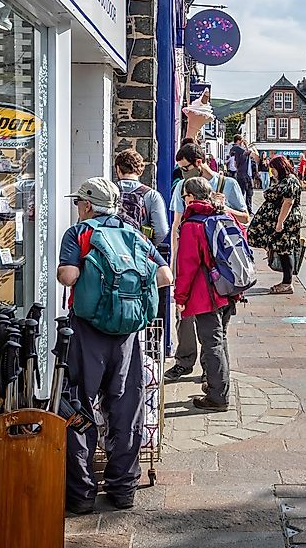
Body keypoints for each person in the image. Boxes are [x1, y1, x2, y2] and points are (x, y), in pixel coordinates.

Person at [57, 177, 173, 514]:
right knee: (125, 410)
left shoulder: (79, 233)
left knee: (78, 408)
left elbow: (67, 276)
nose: (78, 207)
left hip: (87, 333)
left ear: (89, 205)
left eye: (80, 202)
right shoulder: (133, 232)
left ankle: (81, 495)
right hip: (127, 336)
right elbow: (165, 276)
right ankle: (123, 491)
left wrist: (89, 276)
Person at [164, 143, 248, 383]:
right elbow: (177, 225)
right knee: (186, 318)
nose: (182, 173)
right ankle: (185, 361)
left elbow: (245, 218)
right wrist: (174, 263)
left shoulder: (227, 184)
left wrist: (223, 207)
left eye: (185, 168)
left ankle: (211, 374)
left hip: (219, 271)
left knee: (214, 329)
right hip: (191, 261)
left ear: (198, 163)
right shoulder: (182, 187)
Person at [173, 177, 233, 411]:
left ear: (190, 197)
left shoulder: (192, 225)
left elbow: (186, 267)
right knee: (220, 338)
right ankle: (218, 386)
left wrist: (180, 298)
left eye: (184, 196)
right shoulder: (222, 215)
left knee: (212, 342)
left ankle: (218, 396)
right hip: (228, 288)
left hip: (205, 293)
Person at [250, 155, 304, 294]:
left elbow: (288, 202)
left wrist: (280, 222)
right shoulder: (285, 180)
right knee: (281, 249)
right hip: (281, 220)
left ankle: (287, 283)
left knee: (285, 250)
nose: (272, 171)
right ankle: (286, 281)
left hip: (287, 221)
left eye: (273, 168)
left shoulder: (290, 181)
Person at [114, 148, 170, 250]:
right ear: (140, 171)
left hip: (111, 249)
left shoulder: (108, 192)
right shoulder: (152, 195)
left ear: (118, 169)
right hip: (139, 252)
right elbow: (161, 230)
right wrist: (147, 245)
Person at [230, 136, 254, 207]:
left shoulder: (236, 149)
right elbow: (249, 152)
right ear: (238, 141)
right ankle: (244, 208)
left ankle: (246, 208)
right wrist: (246, 145)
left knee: (248, 192)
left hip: (245, 173)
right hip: (244, 174)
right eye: (241, 141)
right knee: (244, 192)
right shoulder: (237, 148)